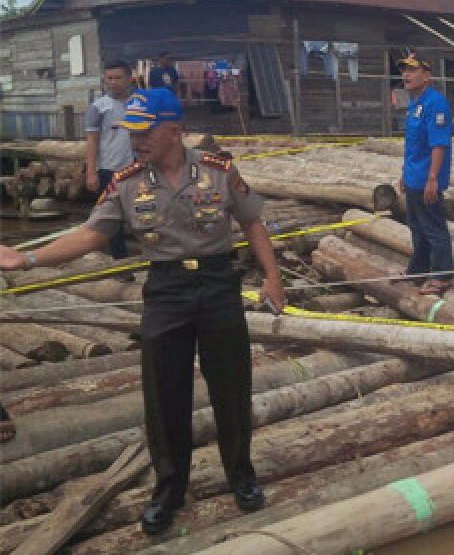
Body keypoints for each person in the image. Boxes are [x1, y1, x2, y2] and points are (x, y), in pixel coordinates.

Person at [0, 88, 284, 535]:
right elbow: (92, 236)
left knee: (231, 388)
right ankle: (168, 491)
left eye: (144, 131)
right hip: (166, 289)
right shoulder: (127, 181)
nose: (135, 140)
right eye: (130, 131)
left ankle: (242, 477)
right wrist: (28, 259)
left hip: (217, 285)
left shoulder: (219, 170)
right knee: (164, 395)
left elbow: (252, 222)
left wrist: (273, 278)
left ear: (174, 130)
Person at [398, 54, 454, 295]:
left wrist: (433, 178)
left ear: (427, 75)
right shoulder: (415, 103)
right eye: (404, 70)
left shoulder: (436, 103)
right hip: (413, 177)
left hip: (426, 179)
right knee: (416, 226)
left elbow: (438, 145)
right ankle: (418, 270)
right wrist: (404, 173)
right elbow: (412, 144)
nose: (406, 75)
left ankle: (442, 275)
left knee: (433, 227)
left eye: (412, 70)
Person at [85, 60, 136, 270]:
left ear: (130, 78)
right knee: (113, 217)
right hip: (110, 169)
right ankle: (121, 266)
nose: (113, 82)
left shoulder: (140, 103)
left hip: (138, 167)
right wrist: (91, 172)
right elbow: (92, 141)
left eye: (118, 78)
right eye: (109, 78)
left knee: (144, 211)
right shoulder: (98, 107)